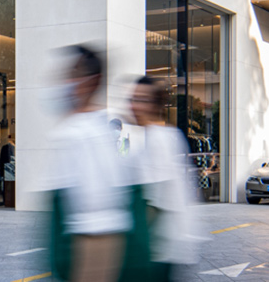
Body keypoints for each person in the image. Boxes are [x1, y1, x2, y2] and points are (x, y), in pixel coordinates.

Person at [41, 46, 132, 282]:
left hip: (92, 240)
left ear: (93, 81)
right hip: (79, 235)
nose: (66, 82)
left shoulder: (90, 130)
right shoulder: (75, 127)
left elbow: (98, 200)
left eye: (73, 74)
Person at [130, 76, 201, 281]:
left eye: (142, 100)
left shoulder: (157, 139)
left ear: (155, 104)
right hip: (166, 246)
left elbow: (153, 206)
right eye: (133, 99)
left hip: (160, 248)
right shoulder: (166, 135)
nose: (134, 106)